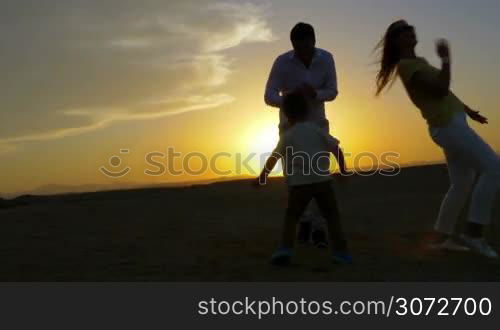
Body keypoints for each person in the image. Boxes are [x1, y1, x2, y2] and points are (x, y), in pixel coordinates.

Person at [375, 20, 500, 258]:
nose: (410, 31)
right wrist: (445, 60)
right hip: (448, 126)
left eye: (410, 28)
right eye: (403, 31)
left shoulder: (418, 63)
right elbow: (440, 89)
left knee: (462, 183)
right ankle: (474, 234)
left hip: (453, 123)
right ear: (396, 40)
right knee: (494, 168)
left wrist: (468, 110)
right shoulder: (407, 66)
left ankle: (442, 237)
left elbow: (444, 92)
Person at [264, 22, 339, 248]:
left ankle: (317, 230)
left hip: (317, 125)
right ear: (292, 46)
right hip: (290, 126)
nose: (302, 52)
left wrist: (315, 94)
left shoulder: (326, 59)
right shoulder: (282, 62)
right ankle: (304, 221)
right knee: (293, 179)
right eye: (298, 48)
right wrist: (291, 99)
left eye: (306, 47)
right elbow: (268, 95)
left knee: (319, 176)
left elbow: (333, 91)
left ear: (314, 42)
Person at [254, 92, 351, 265]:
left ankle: (285, 249)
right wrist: (343, 170)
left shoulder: (288, 136)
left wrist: (262, 177)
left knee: (292, 216)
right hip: (323, 182)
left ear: (286, 114)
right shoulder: (317, 130)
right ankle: (341, 252)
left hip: (300, 185)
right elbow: (336, 149)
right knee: (332, 216)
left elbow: (274, 158)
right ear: (307, 111)